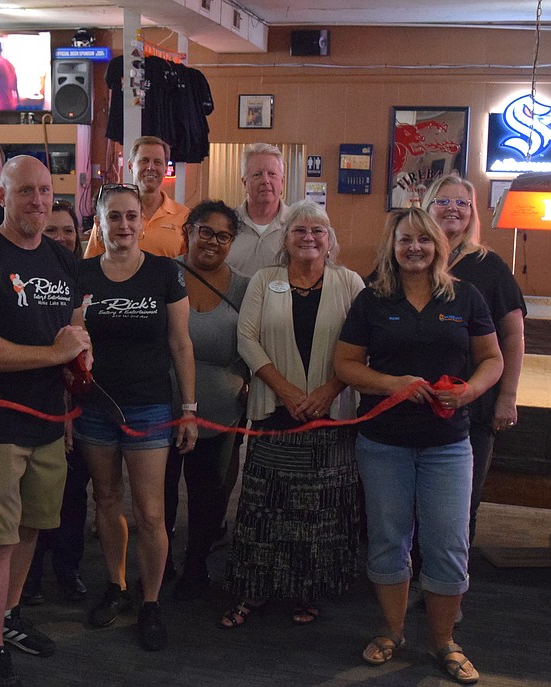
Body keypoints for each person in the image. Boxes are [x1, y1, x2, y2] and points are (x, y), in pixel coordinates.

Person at [334, 207, 502, 685]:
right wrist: (392, 383)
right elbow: (346, 364)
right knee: (389, 539)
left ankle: (444, 641)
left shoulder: (464, 296)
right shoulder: (372, 300)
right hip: (384, 442)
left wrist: (469, 391)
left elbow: (492, 358)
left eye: (423, 241)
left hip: (448, 444)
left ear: (439, 246)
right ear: (392, 245)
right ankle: (391, 632)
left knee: (447, 543)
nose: (415, 248)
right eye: (405, 240)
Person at [0, 155, 89, 687]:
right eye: (25, 191)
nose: (37, 201)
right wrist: (54, 355)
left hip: (50, 419)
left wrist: (77, 361)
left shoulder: (61, 259)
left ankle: (7, 619)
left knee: (32, 526)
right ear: (1, 195)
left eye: (45, 192)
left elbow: (73, 330)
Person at [221, 199, 364, 629]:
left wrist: (325, 392)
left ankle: (308, 589)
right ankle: (256, 589)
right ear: (285, 239)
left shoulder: (350, 282)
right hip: (273, 416)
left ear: (330, 240)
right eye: (299, 229)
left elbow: (363, 346)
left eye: (318, 230)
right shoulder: (265, 281)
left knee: (318, 513)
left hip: (329, 415)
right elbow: (247, 340)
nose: (309, 237)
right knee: (264, 509)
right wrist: (285, 391)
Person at [77, 183, 196, 651]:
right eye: (114, 218)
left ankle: (150, 601)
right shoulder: (80, 272)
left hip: (149, 406)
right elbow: (71, 341)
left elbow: (180, 343)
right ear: (101, 224)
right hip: (95, 406)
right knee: (105, 500)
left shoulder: (165, 272)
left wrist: (188, 408)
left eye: (131, 217)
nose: (124, 226)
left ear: (140, 223)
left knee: (151, 512)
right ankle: (117, 584)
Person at [422, 175, 525, 542]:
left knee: (462, 504)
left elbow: (512, 336)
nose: (453, 209)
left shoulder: (490, 267)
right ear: (427, 207)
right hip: (413, 404)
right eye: (443, 201)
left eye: (462, 203)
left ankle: (450, 584)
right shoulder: (408, 259)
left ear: (472, 213)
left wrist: (507, 397)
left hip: (472, 407)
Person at [165, 200, 250, 601]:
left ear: (232, 242)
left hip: (219, 413)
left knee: (208, 496)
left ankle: (196, 564)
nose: (213, 241)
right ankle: (159, 563)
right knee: (159, 496)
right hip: (162, 410)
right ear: (189, 230)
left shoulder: (245, 287)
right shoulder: (164, 275)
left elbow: (258, 345)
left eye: (224, 236)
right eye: (205, 231)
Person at [24, 201, 91, 606]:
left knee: (73, 493)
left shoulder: (84, 275)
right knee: (33, 498)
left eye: (68, 230)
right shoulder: (32, 277)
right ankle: (28, 577)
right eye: (52, 231)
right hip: (40, 399)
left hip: (80, 399)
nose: (61, 238)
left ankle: (68, 569)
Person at [83, 137, 190, 258]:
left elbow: (188, 267)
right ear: (130, 166)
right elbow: (91, 262)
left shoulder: (184, 216)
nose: (151, 167)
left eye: (157, 162)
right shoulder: (111, 212)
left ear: (165, 169)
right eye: (144, 161)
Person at [226, 142, 291, 278]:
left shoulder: (297, 225)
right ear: (245, 183)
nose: (265, 181)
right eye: (257, 175)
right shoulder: (226, 223)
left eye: (272, 174)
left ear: (282, 182)